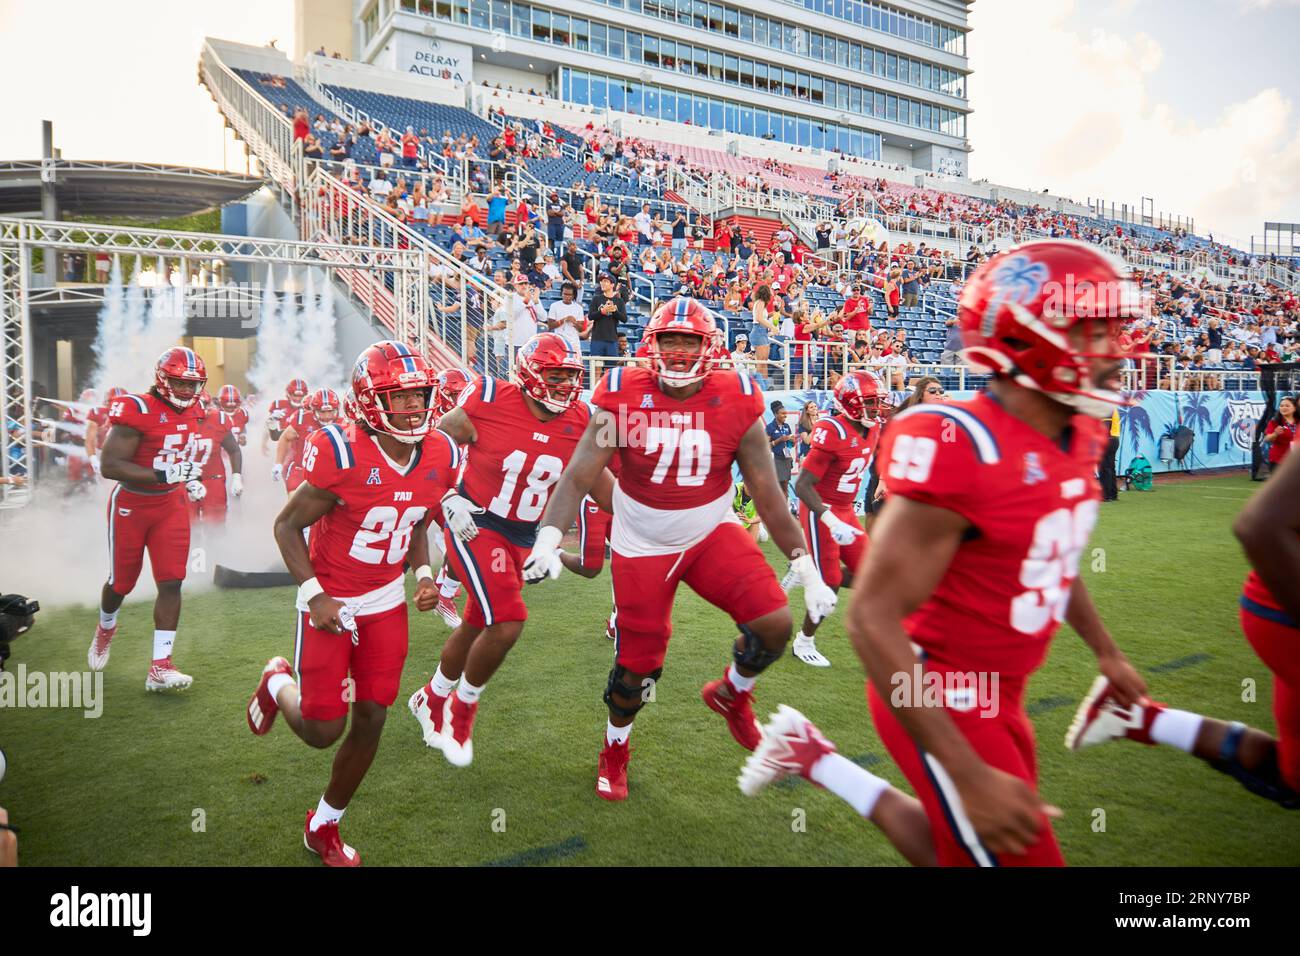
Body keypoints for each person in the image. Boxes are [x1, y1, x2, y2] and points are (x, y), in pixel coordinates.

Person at [739, 240, 1152, 867]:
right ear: (1029, 335)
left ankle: (815, 758)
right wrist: (966, 767)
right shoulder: (964, 442)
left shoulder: (1077, 433)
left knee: (955, 850)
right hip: (941, 685)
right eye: (1095, 329)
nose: (1115, 347)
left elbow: (1052, 555)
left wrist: (1106, 652)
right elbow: (873, 619)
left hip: (1005, 689)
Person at [521, 297, 838, 801]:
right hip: (641, 541)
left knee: (774, 624)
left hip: (709, 531)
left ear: (708, 347)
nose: (678, 351)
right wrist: (548, 537)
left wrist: (808, 567)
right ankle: (615, 748)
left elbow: (769, 496)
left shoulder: (737, 396)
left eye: (689, 341)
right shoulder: (624, 393)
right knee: (635, 670)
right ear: (653, 344)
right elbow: (581, 472)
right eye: (669, 340)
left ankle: (734, 694)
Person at [246, 340, 460, 867]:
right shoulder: (340, 450)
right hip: (331, 600)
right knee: (323, 731)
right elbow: (286, 525)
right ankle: (277, 680)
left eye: (420, 395)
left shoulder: (440, 452)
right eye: (400, 397)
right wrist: (314, 594)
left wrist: (425, 573)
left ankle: (324, 824)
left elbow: (414, 517)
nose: (414, 407)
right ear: (370, 400)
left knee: (372, 718)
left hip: (386, 601)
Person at [1062, 447, 1300, 812]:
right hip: (1282, 607)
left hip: (1273, 604)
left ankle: (1140, 717)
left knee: (1291, 775)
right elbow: (1259, 526)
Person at [406, 334, 593, 769]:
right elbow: (427, 446)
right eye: (556, 375)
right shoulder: (489, 398)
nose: (565, 384)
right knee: (507, 621)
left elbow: (592, 482)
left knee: (476, 624)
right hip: (477, 523)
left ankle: (429, 698)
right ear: (530, 373)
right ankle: (459, 710)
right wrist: (446, 496)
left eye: (570, 376)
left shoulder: (582, 419)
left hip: (525, 533)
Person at [88, 347, 212, 691]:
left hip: (170, 504)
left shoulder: (198, 410)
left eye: (193, 385)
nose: (187, 391)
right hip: (131, 504)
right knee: (121, 583)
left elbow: (181, 452)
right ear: (162, 379)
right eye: (179, 383)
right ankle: (106, 626)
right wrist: (163, 472)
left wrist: (191, 476)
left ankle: (160, 666)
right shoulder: (138, 408)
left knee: (172, 580)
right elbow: (109, 466)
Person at [787, 372, 883, 668]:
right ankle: (804, 641)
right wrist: (829, 519)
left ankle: (807, 571)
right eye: (869, 402)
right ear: (850, 404)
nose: (876, 408)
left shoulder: (875, 427)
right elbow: (803, 486)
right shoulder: (833, 430)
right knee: (829, 582)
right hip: (821, 508)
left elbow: (877, 456)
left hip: (845, 509)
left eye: (877, 402)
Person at [186, 397, 244, 524]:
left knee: (215, 526)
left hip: (212, 479)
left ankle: (216, 545)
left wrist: (236, 477)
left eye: (206, 404)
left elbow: (234, 450)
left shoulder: (218, 419)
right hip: (181, 481)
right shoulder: (173, 420)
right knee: (186, 526)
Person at [586, 273, 625, 381]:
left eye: (606, 281)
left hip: (612, 339)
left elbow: (624, 319)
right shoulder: (596, 299)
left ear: (612, 285)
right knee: (597, 369)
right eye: (602, 281)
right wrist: (602, 312)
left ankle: (609, 394)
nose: (603, 283)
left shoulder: (619, 301)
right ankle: (594, 393)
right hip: (597, 338)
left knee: (611, 371)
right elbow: (590, 316)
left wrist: (615, 311)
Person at [766, 400, 796, 503]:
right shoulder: (770, 427)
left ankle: (785, 510)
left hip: (786, 459)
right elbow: (765, 446)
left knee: (785, 486)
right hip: (776, 459)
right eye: (782, 413)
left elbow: (790, 445)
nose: (785, 415)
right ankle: (778, 509)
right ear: (775, 414)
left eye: (785, 413)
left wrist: (792, 441)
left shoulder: (786, 426)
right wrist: (779, 440)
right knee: (777, 486)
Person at [1263, 395, 1297, 472]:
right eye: (1281, 406)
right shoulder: (1275, 422)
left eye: (1287, 406)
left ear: (1295, 408)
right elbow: (1267, 438)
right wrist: (1275, 433)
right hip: (1278, 460)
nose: (1283, 408)